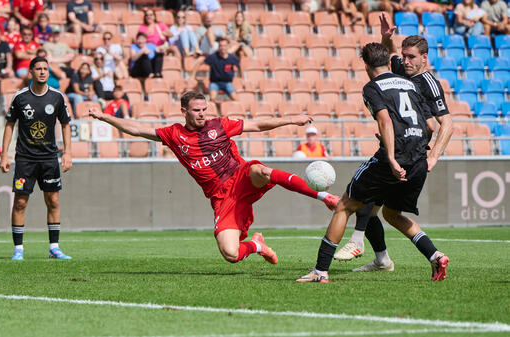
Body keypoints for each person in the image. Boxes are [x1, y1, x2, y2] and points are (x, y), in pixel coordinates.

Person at [89, 91, 340, 265]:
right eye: (196, 111)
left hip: (240, 176)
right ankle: (257, 246)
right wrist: (104, 117)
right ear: (184, 111)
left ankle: (323, 196)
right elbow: (136, 129)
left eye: (204, 110)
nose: (202, 115)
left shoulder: (219, 125)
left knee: (261, 170)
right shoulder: (173, 134)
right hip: (221, 196)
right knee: (230, 253)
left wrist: (291, 120)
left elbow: (257, 125)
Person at [297, 42, 449, 284]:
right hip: (418, 157)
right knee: (392, 214)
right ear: (390, 63)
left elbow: (385, 121)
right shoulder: (410, 84)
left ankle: (320, 271)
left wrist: (390, 155)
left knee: (345, 206)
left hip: (393, 158)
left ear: (366, 65)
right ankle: (434, 255)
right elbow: (430, 126)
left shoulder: (372, 87)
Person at [333, 13, 453, 270]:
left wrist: (433, 156)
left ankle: (358, 241)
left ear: (425, 58)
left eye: (411, 57)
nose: (405, 61)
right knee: (387, 211)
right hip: (401, 147)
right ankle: (384, 259)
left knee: (367, 198)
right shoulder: (401, 70)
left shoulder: (428, 83)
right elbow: (387, 59)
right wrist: (387, 37)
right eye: (403, 56)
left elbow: (444, 124)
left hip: (411, 153)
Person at [0, 56, 73, 261]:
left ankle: (54, 248)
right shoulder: (20, 97)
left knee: (53, 201)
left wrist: (68, 152)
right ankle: (18, 250)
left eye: (45, 69)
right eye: (38, 69)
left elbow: (66, 124)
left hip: (49, 158)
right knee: (20, 202)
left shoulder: (57, 97)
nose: (42, 72)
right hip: (25, 159)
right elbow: (9, 125)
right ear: (30, 72)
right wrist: (5, 154)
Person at [190, 38, 240, 103]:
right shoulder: (213, 57)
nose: (222, 48)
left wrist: (242, 77)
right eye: (221, 46)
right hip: (215, 83)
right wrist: (192, 76)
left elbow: (239, 66)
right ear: (218, 47)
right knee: (212, 99)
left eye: (224, 45)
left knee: (236, 100)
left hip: (228, 83)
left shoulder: (232, 57)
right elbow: (199, 62)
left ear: (227, 46)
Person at [138, 9, 172, 78]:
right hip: (149, 48)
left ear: (154, 16)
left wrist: (165, 33)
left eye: (151, 15)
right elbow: (139, 39)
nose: (149, 17)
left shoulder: (160, 25)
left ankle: (157, 73)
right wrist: (145, 34)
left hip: (161, 47)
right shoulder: (142, 27)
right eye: (147, 15)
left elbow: (171, 34)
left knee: (160, 53)